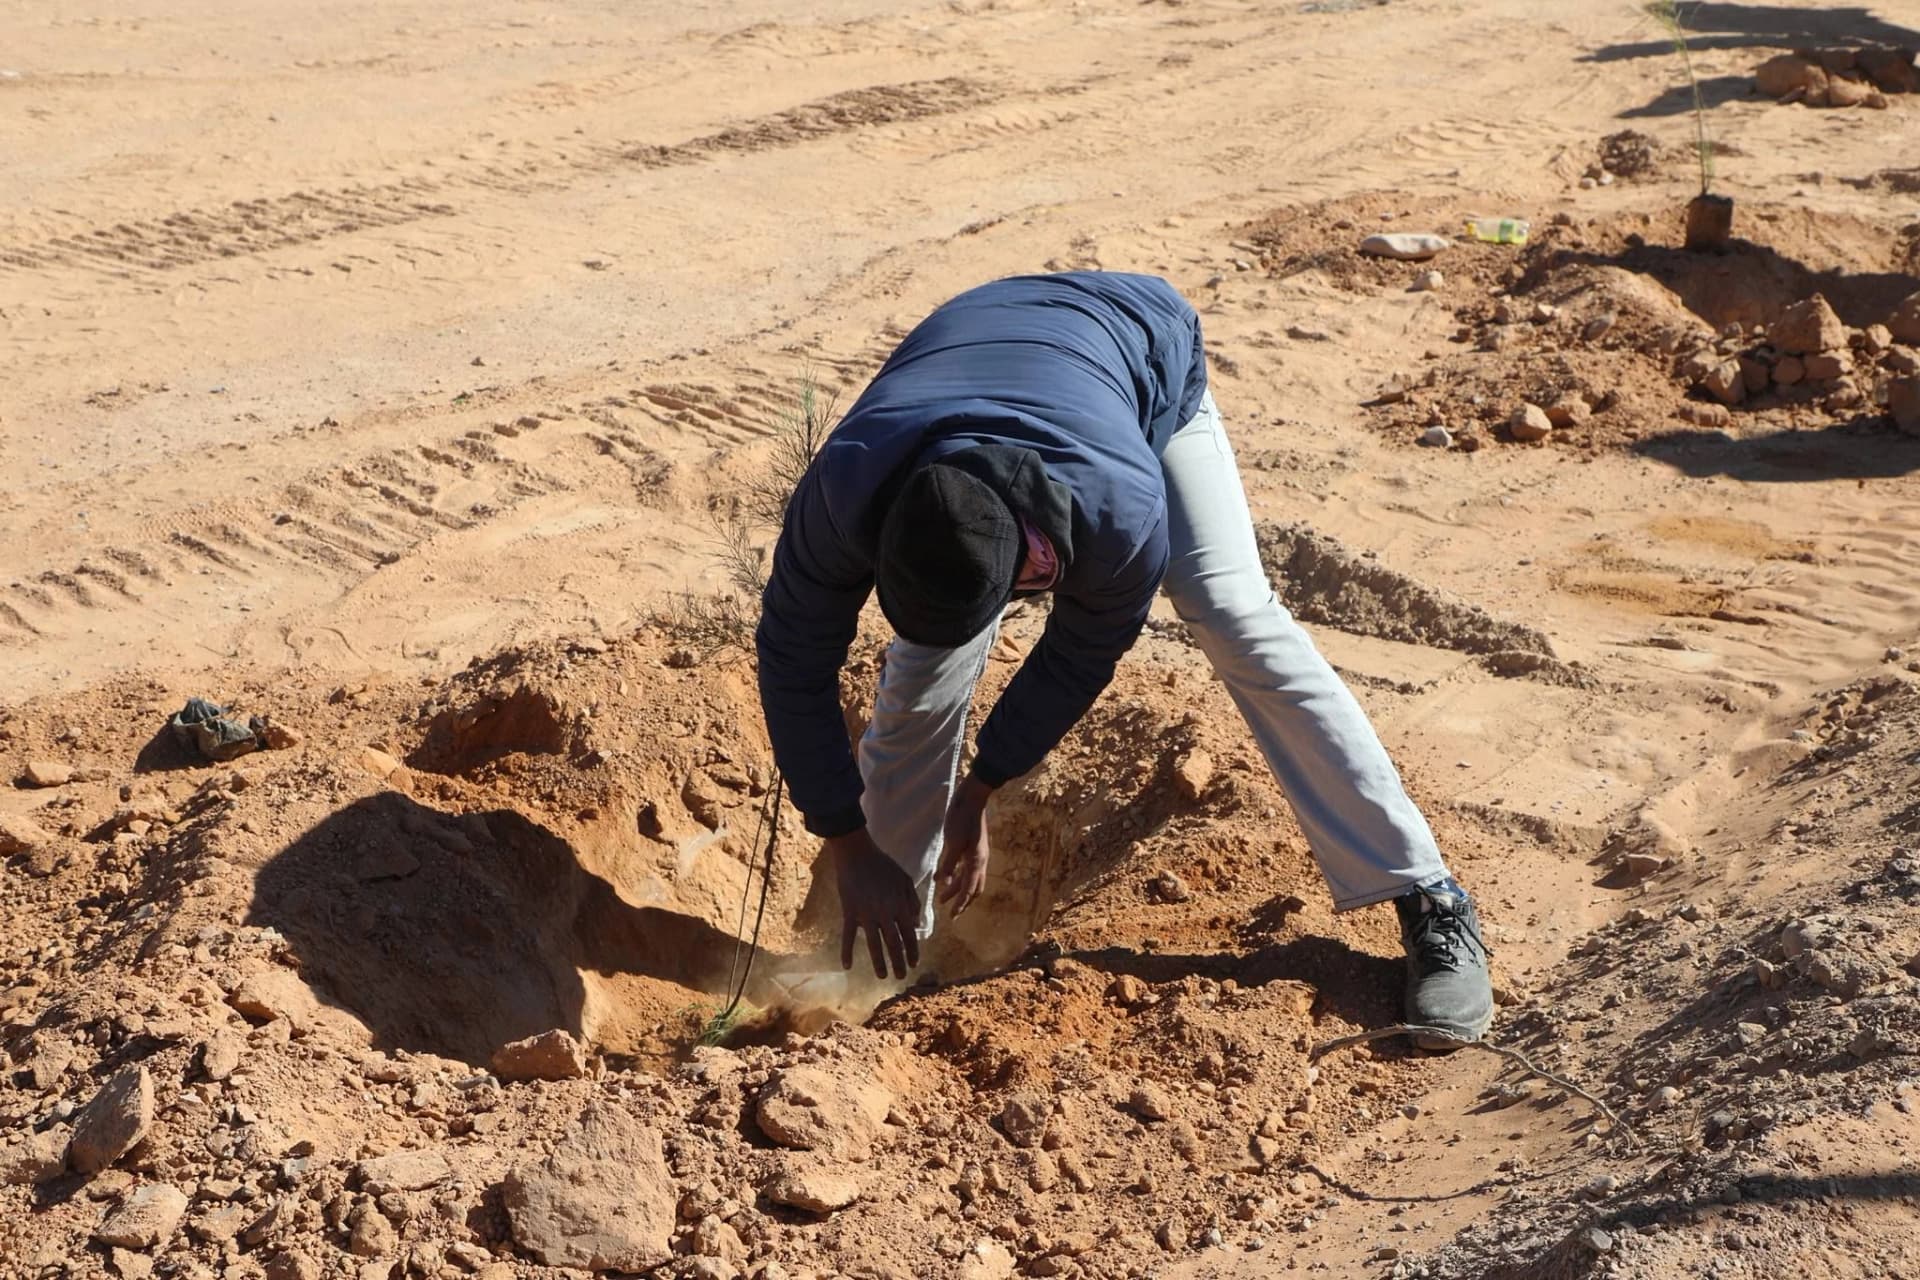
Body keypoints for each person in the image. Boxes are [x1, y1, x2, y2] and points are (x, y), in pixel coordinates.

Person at [755, 272, 1491, 1046]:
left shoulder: (1120, 514)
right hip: (982, 346)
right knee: (922, 675)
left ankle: (1428, 896)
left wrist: (981, 788)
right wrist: (847, 840)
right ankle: (878, 972)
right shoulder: (841, 496)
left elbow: (1076, 657)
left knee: (1233, 613)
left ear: (1031, 564)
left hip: (1141, 345)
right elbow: (791, 659)